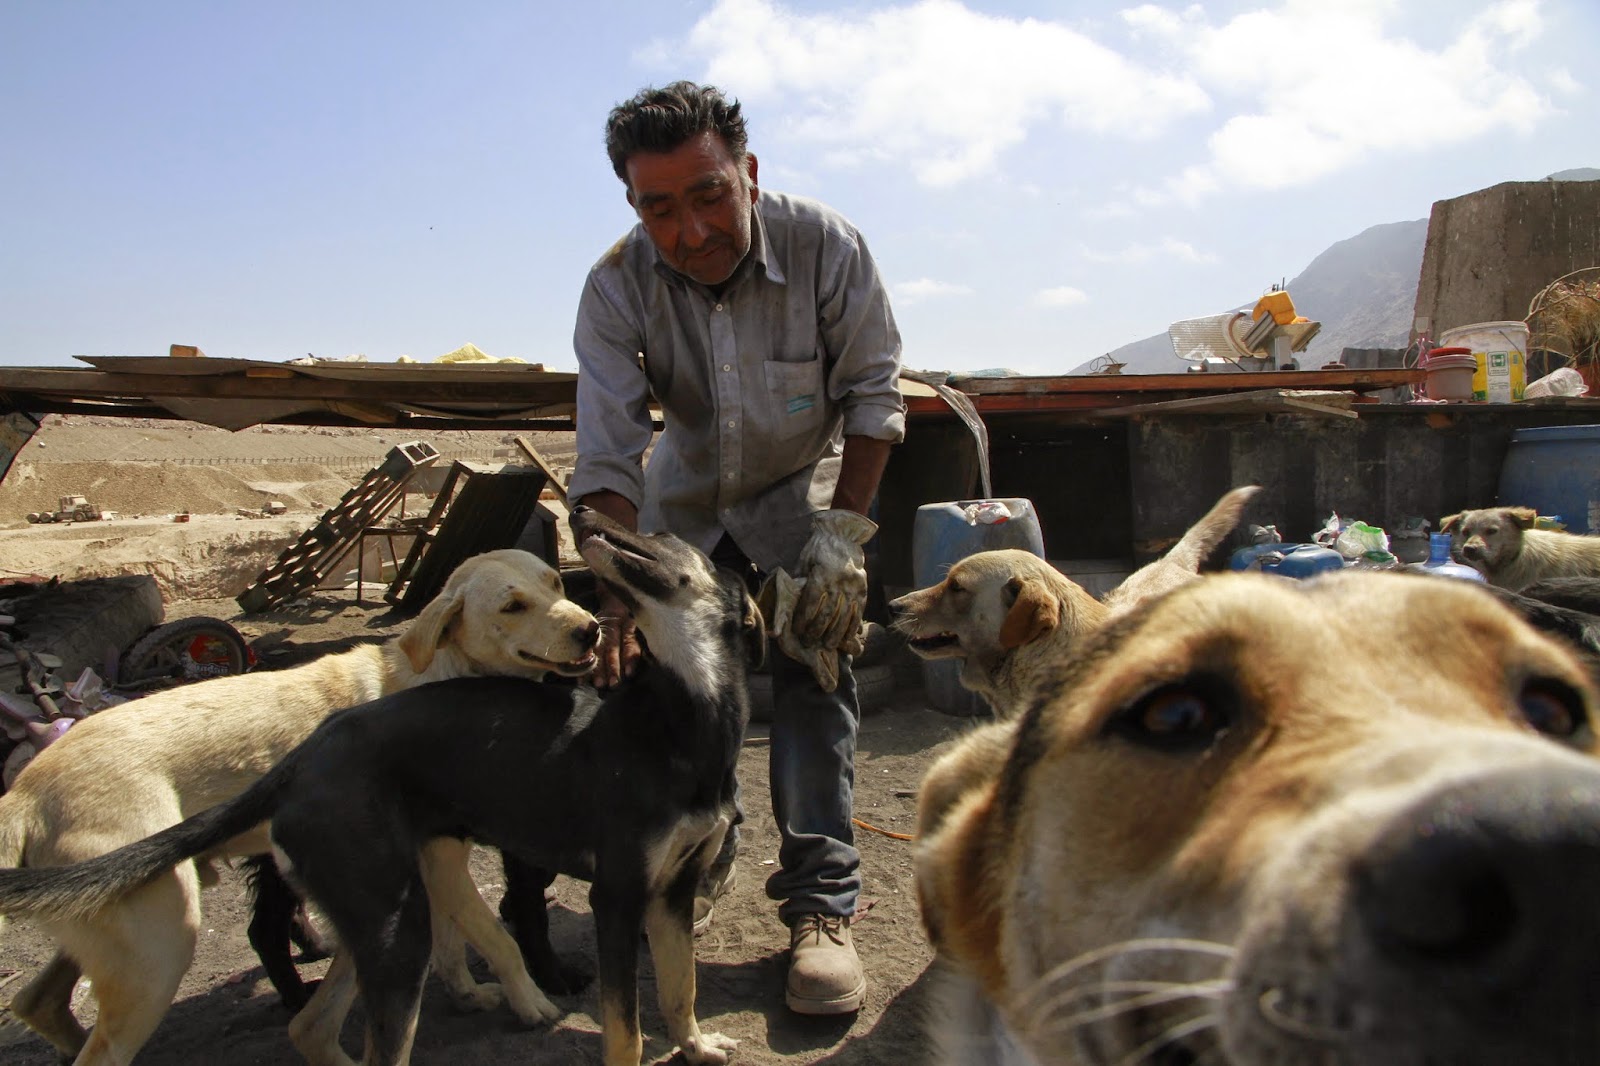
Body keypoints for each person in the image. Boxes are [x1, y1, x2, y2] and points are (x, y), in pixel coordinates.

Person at [566, 80, 905, 1016]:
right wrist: (615, 589)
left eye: (708, 194)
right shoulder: (615, 284)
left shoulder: (827, 247)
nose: (688, 230)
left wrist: (841, 540)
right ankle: (699, 861)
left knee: (812, 681)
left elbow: (876, 398)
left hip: (801, 505)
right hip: (682, 516)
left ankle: (820, 907)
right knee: (680, 703)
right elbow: (607, 451)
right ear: (634, 206)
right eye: (658, 208)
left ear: (748, 175)